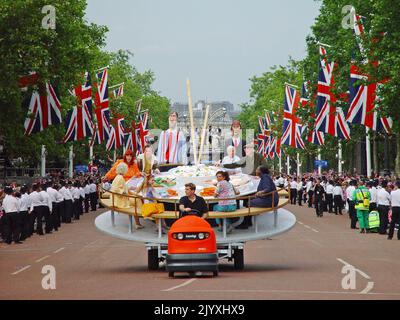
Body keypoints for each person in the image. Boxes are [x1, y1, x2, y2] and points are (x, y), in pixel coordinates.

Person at [110, 162, 144, 229]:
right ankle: (142, 214)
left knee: (135, 199)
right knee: (137, 200)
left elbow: (118, 187)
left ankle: (138, 222)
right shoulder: (120, 178)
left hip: (116, 199)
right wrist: (125, 192)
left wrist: (128, 188)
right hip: (120, 201)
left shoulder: (118, 177)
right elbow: (117, 189)